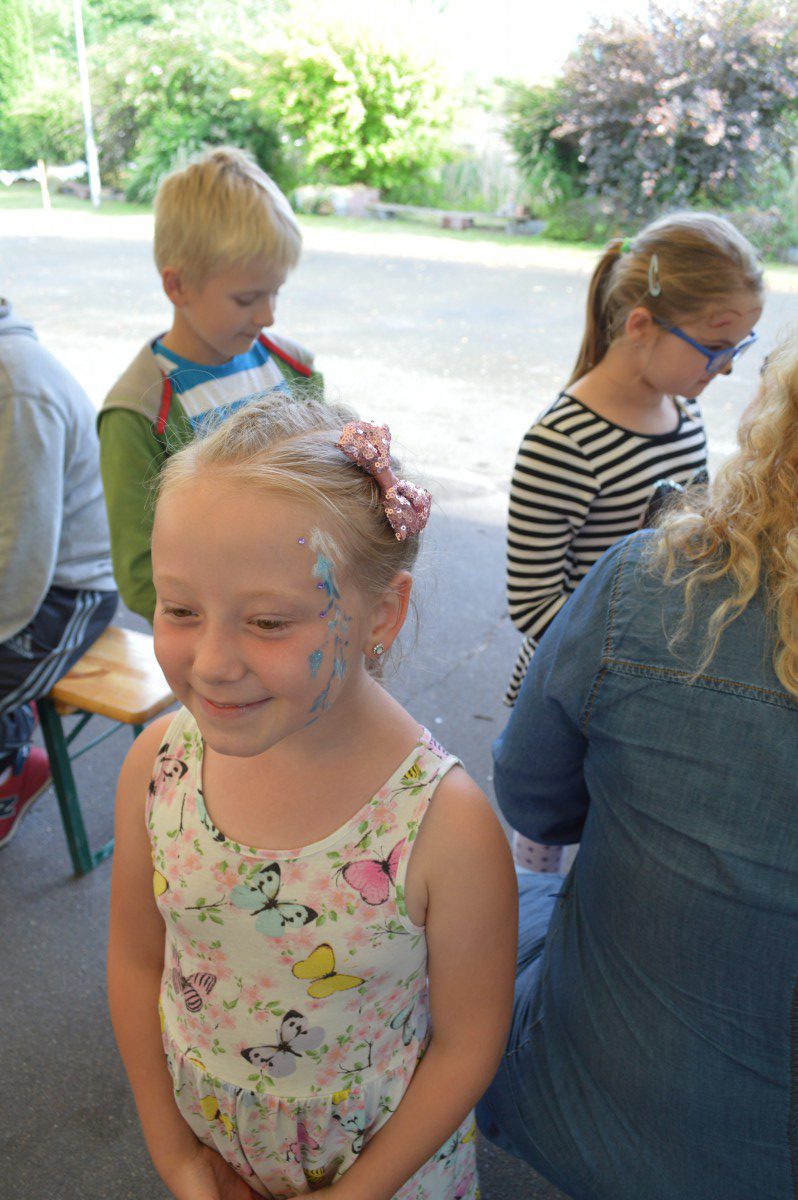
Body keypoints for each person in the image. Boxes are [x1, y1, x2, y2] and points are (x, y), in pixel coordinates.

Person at [107, 396, 517, 1200]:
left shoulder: (445, 826)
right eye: (181, 609)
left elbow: (469, 1045)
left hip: (382, 1171)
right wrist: (175, 1154)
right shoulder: (158, 767)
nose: (212, 662)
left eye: (267, 622)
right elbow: (135, 959)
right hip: (213, 1148)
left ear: (382, 614)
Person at [477, 340, 798, 1200]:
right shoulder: (574, 444)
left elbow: (533, 801)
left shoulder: (649, 583)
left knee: (477, 906)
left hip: (592, 1115)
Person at [505, 211, 762, 872]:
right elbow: (532, 605)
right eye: (715, 346)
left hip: (653, 681)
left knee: (617, 850)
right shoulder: (562, 443)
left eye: (740, 348)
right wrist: (634, 651)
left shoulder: (687, 413)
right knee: (545, 854)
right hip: (572, 698)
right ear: (641, 325)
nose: (726, 368)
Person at [98, 146, 323, 625]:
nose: (268, 316)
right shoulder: (138, 413)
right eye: (247, 298)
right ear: (177, 286)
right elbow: (140, 575)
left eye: (275, 292)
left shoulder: (295, 371)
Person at [0, 299, 118, 847]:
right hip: (23, 577)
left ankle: (13, 769)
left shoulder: (18, 389)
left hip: (65, 594)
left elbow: (20, 564)